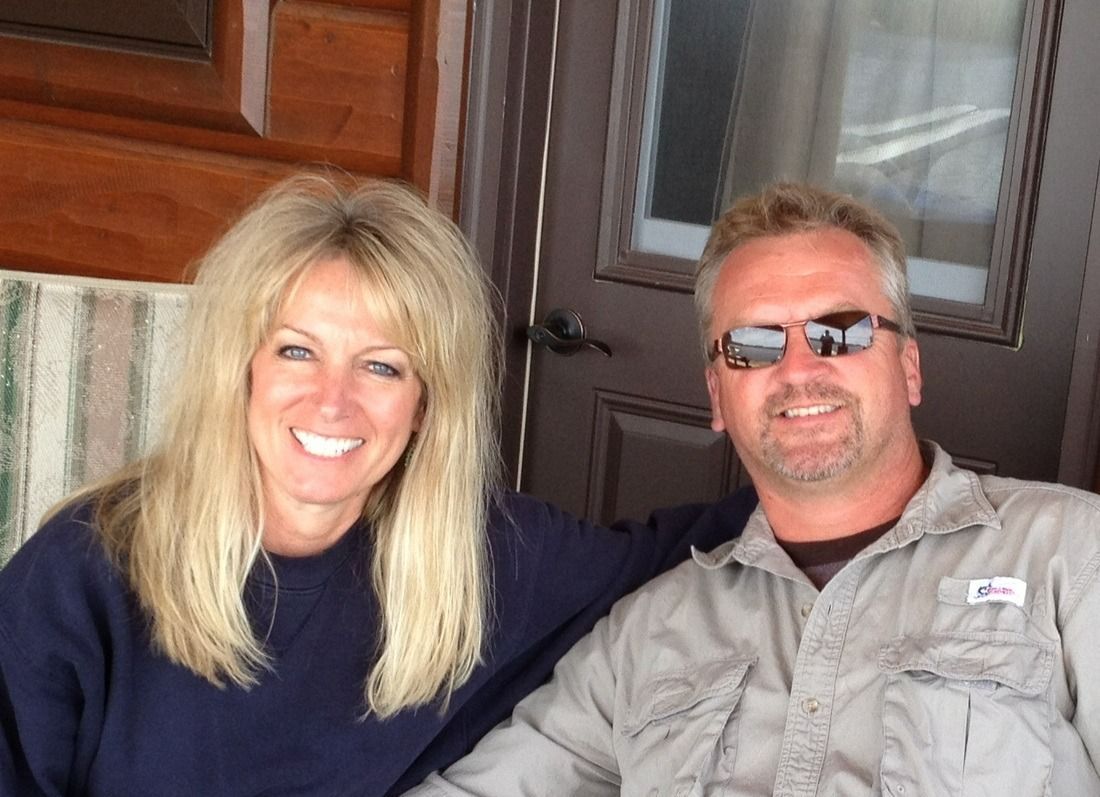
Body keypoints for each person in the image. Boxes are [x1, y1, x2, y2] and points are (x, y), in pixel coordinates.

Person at [0, 173, 756, 796]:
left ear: (426, 403)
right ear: (243, 370)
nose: (334, 400)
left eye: (382, 365)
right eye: (298, 351)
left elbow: (685, 548)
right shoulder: (83, 573)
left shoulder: (483, 561)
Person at [408, 182, 1100, 795]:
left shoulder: (1068, 555)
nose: (800, 368)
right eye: (754, 344)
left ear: (909, 367)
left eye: (840, 331)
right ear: (717, 393)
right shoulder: (650, 631)